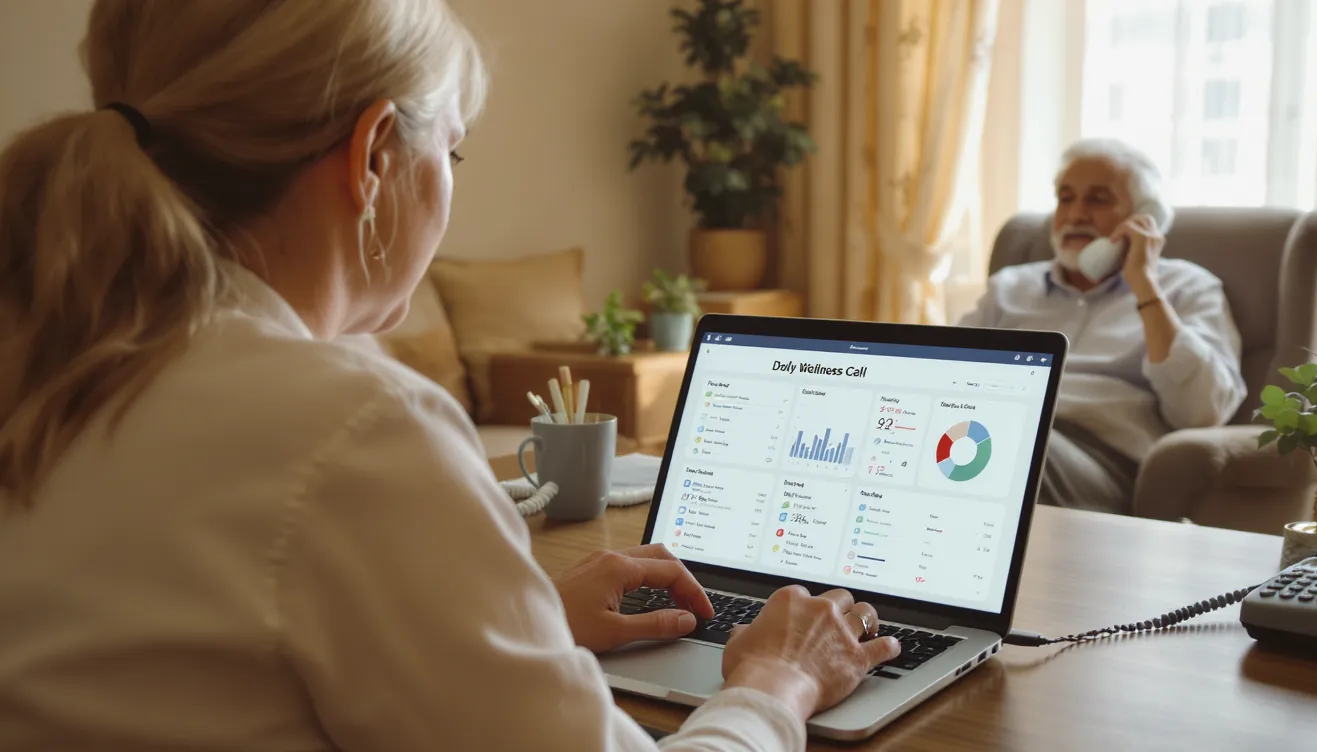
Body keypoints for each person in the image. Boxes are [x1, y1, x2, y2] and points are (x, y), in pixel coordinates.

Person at [0, 1, 899, 749]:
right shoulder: (353, 427)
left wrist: (510, 620)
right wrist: (779, 682)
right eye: (454, 151)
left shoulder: (60, 363)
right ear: (375, 154)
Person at [958, 138, 1245, 515]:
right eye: (1065, 198)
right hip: (994, 432)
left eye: (1097, 199)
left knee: (1012, 447)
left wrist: (1144, 283)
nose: (1076, 214)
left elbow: (1202, 412)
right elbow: (950, 375)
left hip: (1099, 463)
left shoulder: (1186, 288)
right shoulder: (1009, 287)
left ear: (1145, 215)